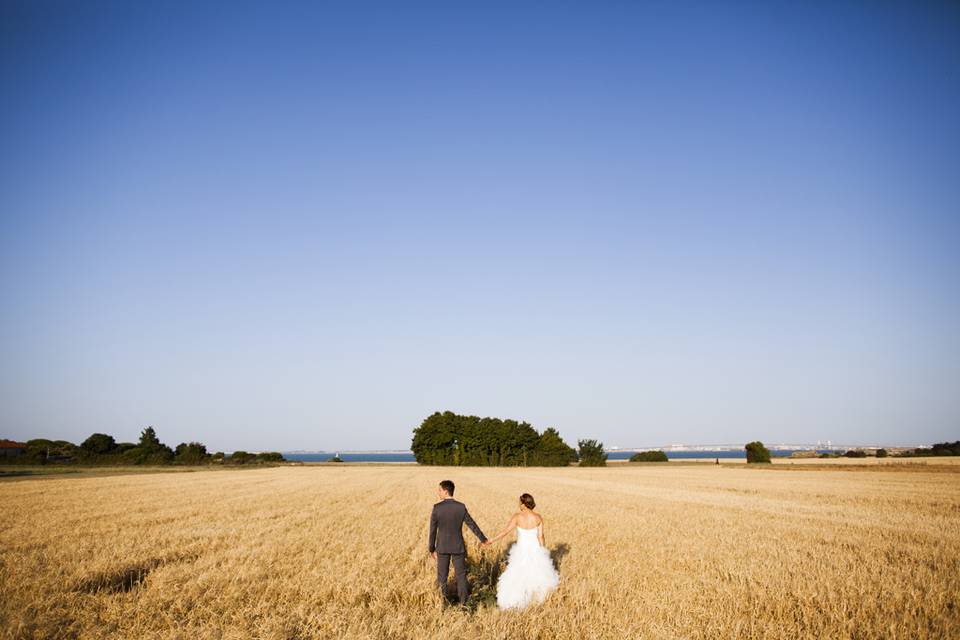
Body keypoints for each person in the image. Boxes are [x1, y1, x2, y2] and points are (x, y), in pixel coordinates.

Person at [482, 493, 559, 609]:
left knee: (518, 575)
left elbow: (505, 532)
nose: (519, 505)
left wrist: (491, 541)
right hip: (535, 550)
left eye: (520, 503)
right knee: (536, 575)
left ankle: (516, 603)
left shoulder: (517, 517)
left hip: (521, 551)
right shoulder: (538, 518)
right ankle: (536, 602)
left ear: (524, 504)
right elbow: (541, 537)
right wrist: (543, 553)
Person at [428, 480, 487, 605]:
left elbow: (432, 530)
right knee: (461, 576)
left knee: (442, 577)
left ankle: (442, 603)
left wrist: (431, 549)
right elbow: (472, 525)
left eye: (439, 490)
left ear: (445, 491)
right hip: (458, 546)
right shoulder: (460, 507)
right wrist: (483, 539)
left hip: (442, 547)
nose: (438, 492)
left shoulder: (437, 508)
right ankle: (464, 603)